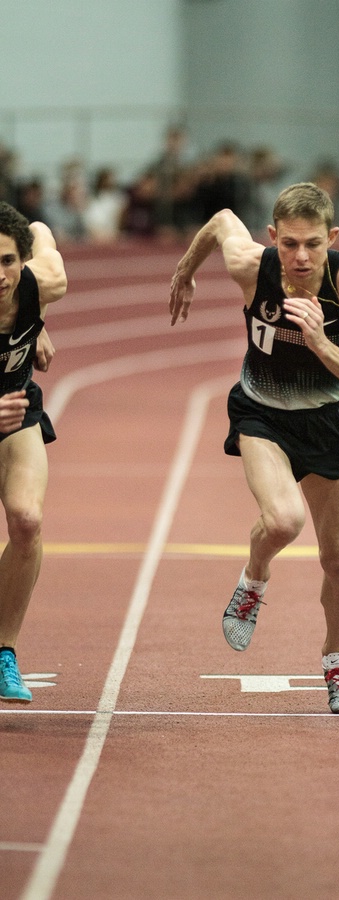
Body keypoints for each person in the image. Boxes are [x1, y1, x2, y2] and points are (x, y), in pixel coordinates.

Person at [169, 182, 339, 714]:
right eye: (289, 244)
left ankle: (335, 659)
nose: (301, 256)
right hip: (261, 412)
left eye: (313, 243)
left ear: (331, 237)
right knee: (284, 520)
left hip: (328, 423)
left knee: (337, 558)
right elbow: (221, 218)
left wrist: (319, 341)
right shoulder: (253, 266)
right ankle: (253, 578)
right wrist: (185, 271)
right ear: (272, 238)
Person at [0, 202, 67, 703]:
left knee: (26, 519)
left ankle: (5, 652)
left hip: (16, 411)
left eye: (6, 260)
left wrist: (37, 321)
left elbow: (41, 229)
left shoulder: (44, 279)